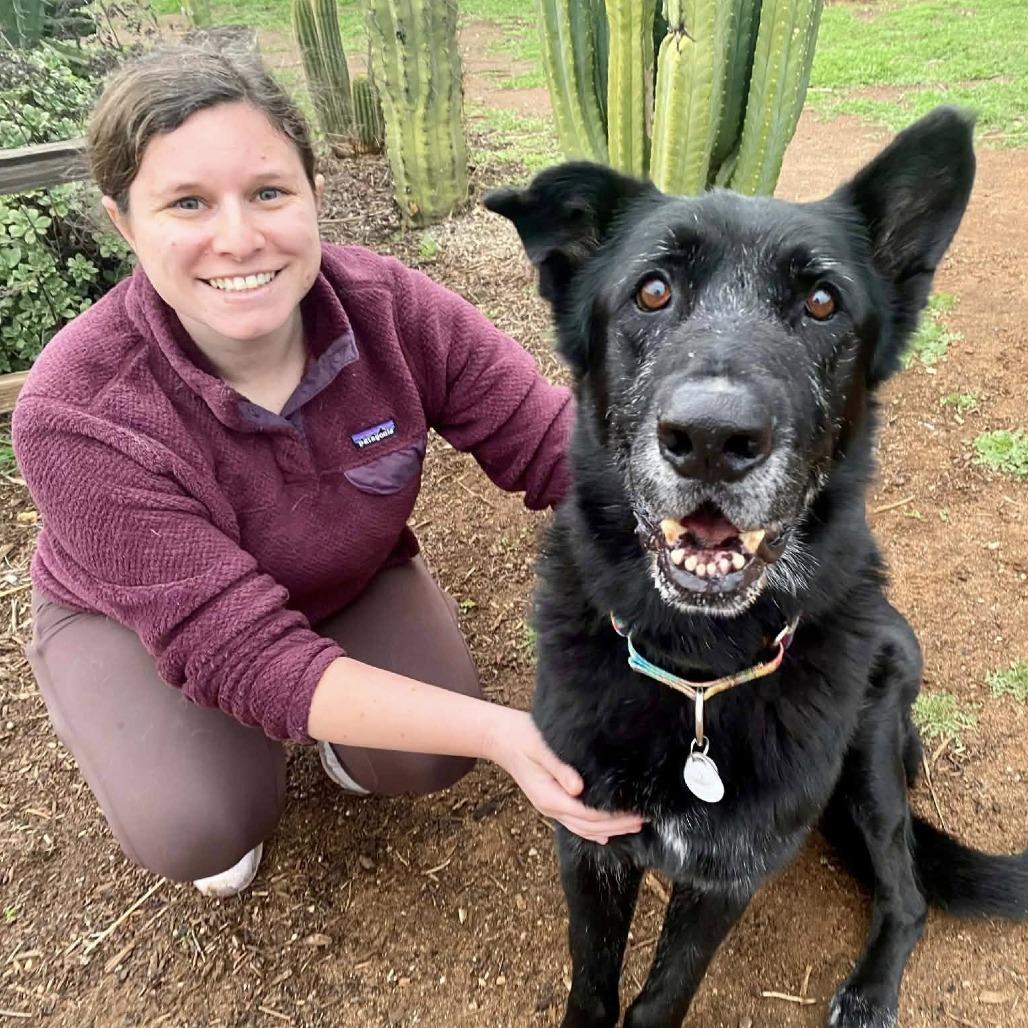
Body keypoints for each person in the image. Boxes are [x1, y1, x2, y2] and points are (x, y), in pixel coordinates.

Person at [12, 45, 643, 899]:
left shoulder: (392, 307)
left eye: (269, 192)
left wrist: (719, 531)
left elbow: (551, 445)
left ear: (313, 194)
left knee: (427, 752)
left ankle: (347, 738)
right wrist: (506, 733)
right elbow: (239, 651)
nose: (239, 238)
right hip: (137, 617)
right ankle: (210, 759)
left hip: (340, 574)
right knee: (202, 823)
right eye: (187, 203)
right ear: (124, 221)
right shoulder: (78, 408)